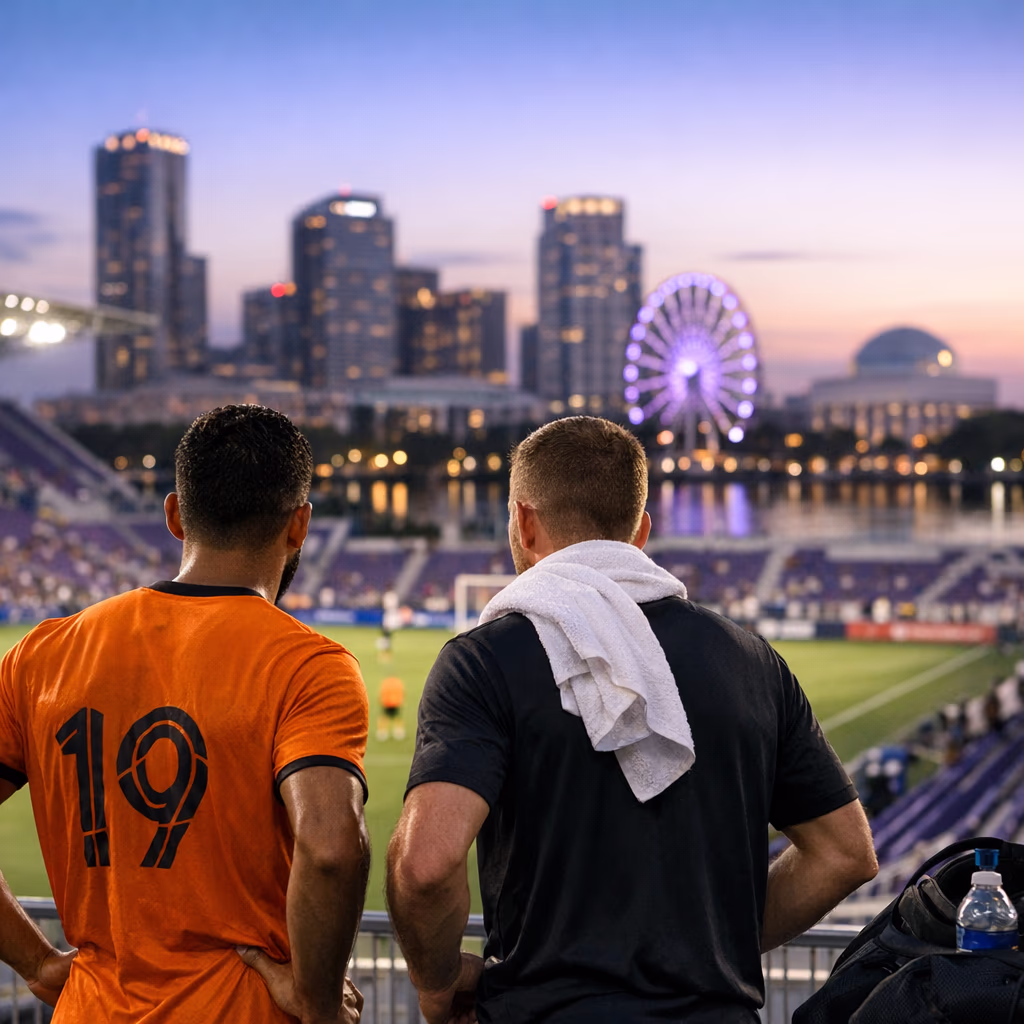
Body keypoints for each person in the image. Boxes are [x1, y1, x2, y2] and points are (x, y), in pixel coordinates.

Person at [387, 416, 877, 1024]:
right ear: (640, 532)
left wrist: (436, 983)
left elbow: (426, 867)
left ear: (522, 522)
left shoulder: (483, 660)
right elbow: (845, 854)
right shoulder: (754, 661)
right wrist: (713, 948)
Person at [0, 405, 370, 1023]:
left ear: (174, 515)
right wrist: (319, 999)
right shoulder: (309, 665)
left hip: (90, 1008)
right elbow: (332, 848)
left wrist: (36, 962)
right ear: (299, 525)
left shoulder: (43, 653)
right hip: (238, 1010)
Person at [377, 675, 406, 741]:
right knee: (395, 717)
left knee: (387, 717)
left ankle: (383, 732)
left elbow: (382, 693)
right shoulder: (398, 683)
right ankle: (397, 731)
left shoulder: (386, 683)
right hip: (393, 703)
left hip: (388, 703)